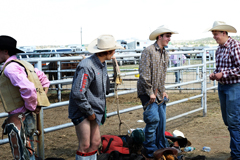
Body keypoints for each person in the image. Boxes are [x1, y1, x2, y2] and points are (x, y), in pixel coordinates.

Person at [68, 34, 123, 160]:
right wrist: (89, 111)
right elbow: (78, 93)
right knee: (85, 144)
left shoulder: (101, 64)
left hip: (93, 109)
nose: (115, 52)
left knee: (95, 142)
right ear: (107, 51)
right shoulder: (87, 66)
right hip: (83, 110)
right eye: (113, 49)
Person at [0, 35, 50, 160]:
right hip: (26, 116)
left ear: (5, 51)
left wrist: (31, 106)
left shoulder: (10, 68)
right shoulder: (24, 64)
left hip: (19, 117)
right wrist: (37, 104)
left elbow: (27, 88)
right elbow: (44, 81)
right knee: (28, 150)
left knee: (23, 154)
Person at [137, 26, 178, 159]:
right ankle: (149, 150)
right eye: (167, 36)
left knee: (161, 122)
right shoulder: (148, 51)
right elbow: (143, 75)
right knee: (153, 119)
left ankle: (160, 146)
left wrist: (163, 90)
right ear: (159, 36)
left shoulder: (165, 53)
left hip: (158, 92)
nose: (169, 39)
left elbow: (162, 75)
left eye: (170, 36)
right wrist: (150, 92)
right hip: (147, 92)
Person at [209, 21, 240, 160]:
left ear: (224, 33)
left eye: (216, 34)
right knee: (229, 121)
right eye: (213, 34)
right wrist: (215, 74)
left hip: (234, 87)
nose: (214, 37)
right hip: (223, 86)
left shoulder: (235, 46)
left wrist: (223, 74)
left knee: (233, 122)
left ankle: (236, 155)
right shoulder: (220, 49)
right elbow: (220, 68)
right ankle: (236, 152)